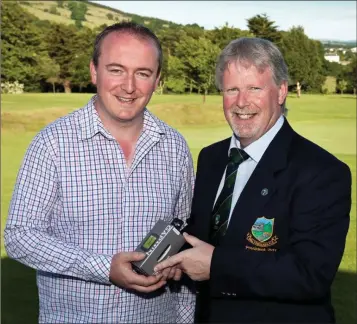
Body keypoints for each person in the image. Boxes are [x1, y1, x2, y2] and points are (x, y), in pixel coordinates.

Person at [5, 22, 195, 323]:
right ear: (94, 71)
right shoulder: (52, 143)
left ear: (157, 79)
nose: (129, 86)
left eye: (143, 73)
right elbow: (20, 237)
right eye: (116, 69)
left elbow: (184, 234)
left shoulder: (175, 148)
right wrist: (102, 267)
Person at [154, 37, 352, 323]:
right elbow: (204, 237)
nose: (241, 102)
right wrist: (173, 259)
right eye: (231, 89)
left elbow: (311, 275)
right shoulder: (211, 158)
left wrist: (217, 266)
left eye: (254, 88)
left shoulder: (322, 171)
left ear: (281, 92)